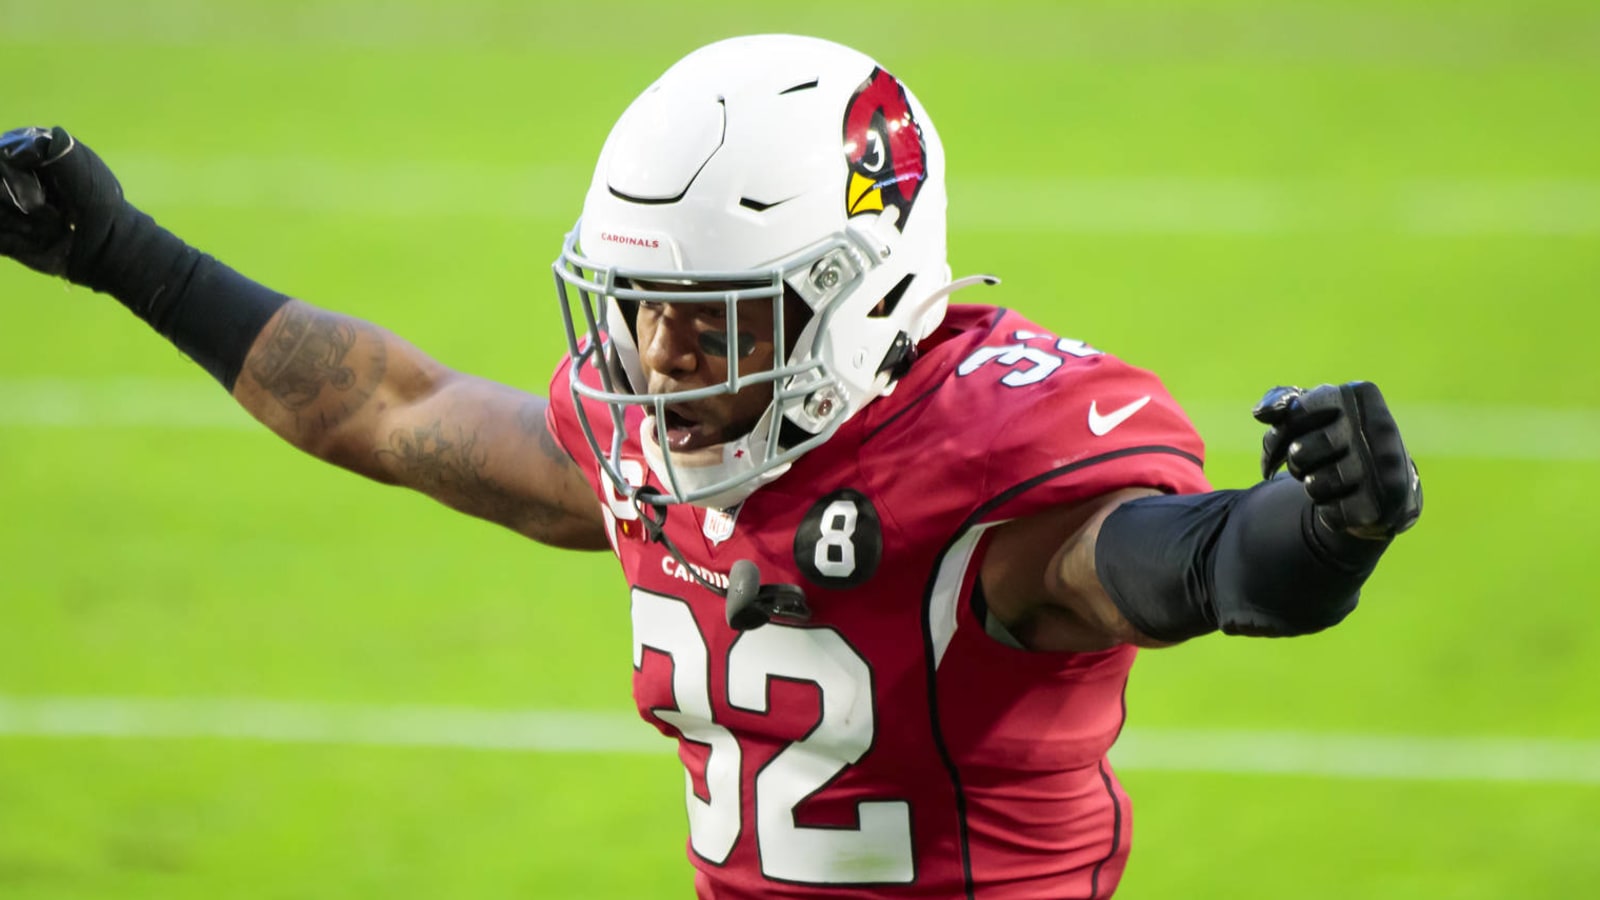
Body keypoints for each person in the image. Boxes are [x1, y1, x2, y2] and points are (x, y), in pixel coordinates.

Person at [0, 33, 1420, 900]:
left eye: (716, 318)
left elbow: (1182, 566)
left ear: (858, 294)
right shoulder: (653, 447)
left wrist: (1321, 531)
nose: (662, 357)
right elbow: (386, 408)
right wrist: (122, 258)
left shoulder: (985, 469)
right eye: (640, 305)